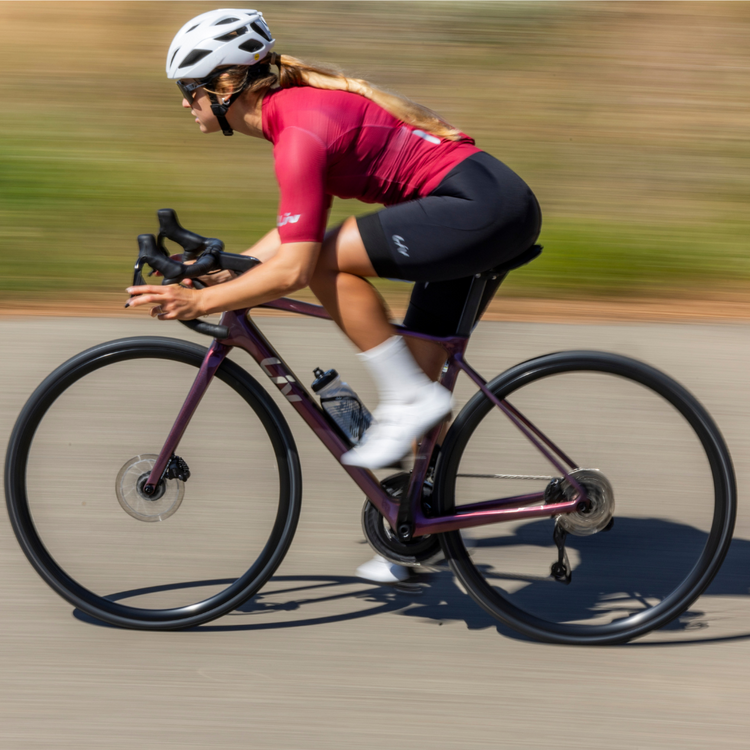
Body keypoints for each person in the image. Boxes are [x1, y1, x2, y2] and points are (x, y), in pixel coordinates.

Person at [127, 8, 542, 582]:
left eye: (187, 90)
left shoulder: (296, 130)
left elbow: (299, 266)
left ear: (223, 87)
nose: (184, 103)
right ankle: (416, 532)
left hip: (478, 210)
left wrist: (201, 304)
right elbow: (292, 234)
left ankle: (408, 400)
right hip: (486, 204)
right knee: (417, 368)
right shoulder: (293, 116)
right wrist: (227, 276)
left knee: (329, 269)